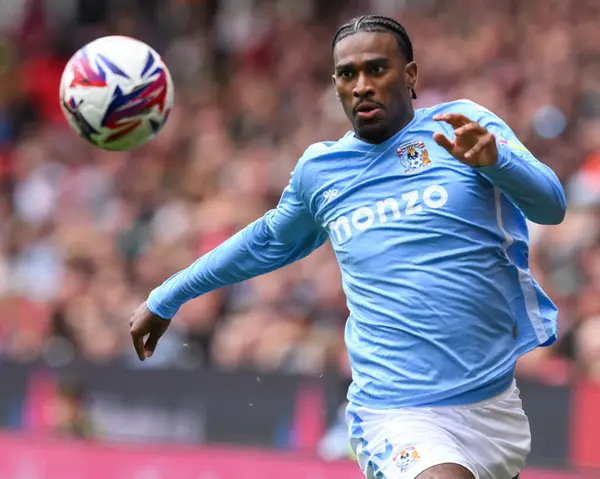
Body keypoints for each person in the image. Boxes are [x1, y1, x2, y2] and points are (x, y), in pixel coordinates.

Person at [129, 15, 566, 479]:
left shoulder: (463, 125)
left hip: (494, 404)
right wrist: (168, 295)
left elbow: (552, 206)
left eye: (377, 69)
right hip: (396, 412)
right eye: (347, 74)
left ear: (411, 76)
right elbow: (263, 242)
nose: (361, 85)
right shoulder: (323, 171)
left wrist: (498, 162)